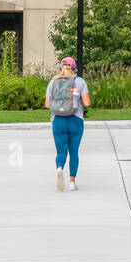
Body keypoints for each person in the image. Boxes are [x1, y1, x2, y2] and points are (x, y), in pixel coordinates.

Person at [45, 57, 91, 191]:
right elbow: (87, 103)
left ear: (60, 68)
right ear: (75, 69)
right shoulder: (80, 82)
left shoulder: (53, 82)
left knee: (61, 151)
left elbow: (47, 104)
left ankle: (59, 168)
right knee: (74, 151)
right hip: (75, 119)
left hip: (58, 120)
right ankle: (72, 182)